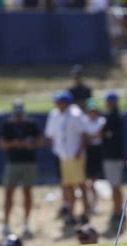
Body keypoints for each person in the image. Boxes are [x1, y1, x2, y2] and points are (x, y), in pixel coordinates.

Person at [0, 100, 43, 236]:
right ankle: (6, 224)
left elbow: (41, 141)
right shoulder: (7, 125)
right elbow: (1, 144)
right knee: (8, 193)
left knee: (27, 193)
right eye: (16, 114)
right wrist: (14, 143)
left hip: (29, 162)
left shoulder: (31, 124)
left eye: (20, 114)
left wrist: (29, 143)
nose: (18, 116)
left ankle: (26, 223)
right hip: (13, 162)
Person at [44, 91, 89, 225]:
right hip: (63, 155)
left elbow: (83, 134)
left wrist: (79, 151)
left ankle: (85, 212)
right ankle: (71, 213)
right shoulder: (54, 115)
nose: (58, 105)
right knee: (67, 186)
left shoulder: (76, 114)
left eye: (60, 102)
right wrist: (56, 150)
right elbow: (50, 134)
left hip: (75, 155)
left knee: (81, 185)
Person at [101, 92, 125, 231]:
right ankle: (117, 210)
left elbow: (104, 134)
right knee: (115, 186)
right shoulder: (114, 116)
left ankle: (118, 212)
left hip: (113, 156)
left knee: (115, 186)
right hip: (114, 156)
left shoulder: (113, 117)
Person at [83, 98, 106, 214]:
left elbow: (100, 135)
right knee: (88, 180)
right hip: (88, 151)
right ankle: (90, 203)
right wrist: (93, 136)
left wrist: (91, 137)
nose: (92, 113)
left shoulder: (101, 120)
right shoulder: (84, 121)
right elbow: (86, 137)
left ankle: (94, 203)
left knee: (94, 180)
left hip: (97, 151)